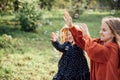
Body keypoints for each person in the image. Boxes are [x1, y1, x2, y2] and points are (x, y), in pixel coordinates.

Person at [64, 11, 120, 80]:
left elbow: (92, 49)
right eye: (101, 29)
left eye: (104, 30)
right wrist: (71, 27)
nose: (100, 32)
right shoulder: (101, 43)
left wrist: (87, 35)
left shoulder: (112, 48)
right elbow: (85, 43)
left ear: (114, 34)